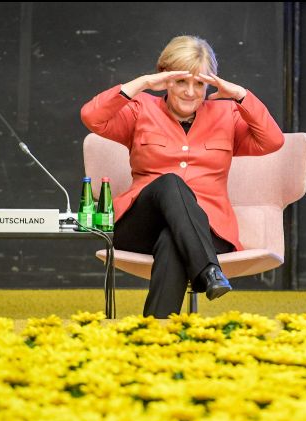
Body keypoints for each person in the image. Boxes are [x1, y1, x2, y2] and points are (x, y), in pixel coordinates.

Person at [80, 35, 284, 318]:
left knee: (173, 240)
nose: (190, 92)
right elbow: (92, 117)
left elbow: (272, 141)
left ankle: (154, 333)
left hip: (211, 230)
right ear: (165, 78)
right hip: (141, 226)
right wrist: (143, 83)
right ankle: (209, 270)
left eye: (199, 83)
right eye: (181, 82)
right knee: (170, 181)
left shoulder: (227, 114)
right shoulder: (141, 109)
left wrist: (240, 94)